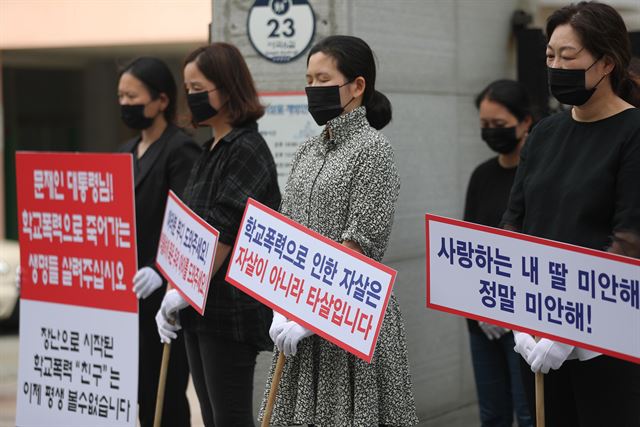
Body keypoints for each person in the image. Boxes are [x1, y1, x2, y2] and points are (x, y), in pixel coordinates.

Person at [259, 35, 419, 427]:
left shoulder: (373, 150)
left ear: (357, 86)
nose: (313, 89)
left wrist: (314, 311)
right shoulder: (307, 150)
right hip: (299, 315)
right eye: (309, 79)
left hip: (349, 317)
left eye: (323, 78)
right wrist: (283, 305)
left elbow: (359, 243)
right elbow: (286, 232)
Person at [503, 2, 640, 426]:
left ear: (606, 63)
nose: (555, 65)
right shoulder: (545, 132)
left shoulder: (633, 133)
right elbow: (513, 219)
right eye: (550, 55)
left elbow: (630, 237)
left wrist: (572, 326)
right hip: (537, 329)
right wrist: (518, 316)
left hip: (607, 338)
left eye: (569, 56)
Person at [155, 43, 281, 426]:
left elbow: (223, 231)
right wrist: (173, 289)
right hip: (198, 307)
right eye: (188, 88)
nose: (191, 97)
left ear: (227, 89)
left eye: (199, 88)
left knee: (229, 418)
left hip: (229, 313)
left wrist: (183, 289)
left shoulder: (247, 149)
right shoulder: (210, 148)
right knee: (210, 416)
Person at [117, 57, 200, 427]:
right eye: (120, 96)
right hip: (123, 296)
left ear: (161, 101)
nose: (124, 104)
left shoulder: (180, 150)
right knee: (132, 392)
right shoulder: (122, 153)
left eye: (132, 96)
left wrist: (158, 267)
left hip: (161, 294)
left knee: (162, 397)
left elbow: (186, 226)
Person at [465, 79, 533, 427]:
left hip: (527, 320)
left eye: (499, 124)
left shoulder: (539, 175)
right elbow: (466, 248)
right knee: (492, 414)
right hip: (482, 320)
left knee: (528, 411)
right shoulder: (482, 176)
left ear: (524, 122)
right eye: (484, 126)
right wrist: (480, 308)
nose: (491, 132)